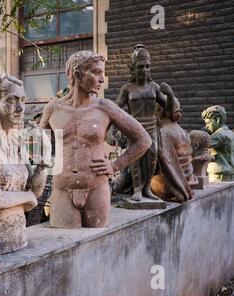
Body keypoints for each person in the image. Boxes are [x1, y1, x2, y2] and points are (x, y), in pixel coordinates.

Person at [39, 50, 151, 228]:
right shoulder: (53, 108)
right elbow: (39, 141)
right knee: (65, 242)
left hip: (96, 187)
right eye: (96, 72)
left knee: (98, 241)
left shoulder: (105, 108)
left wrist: (115, 165)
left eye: (102, 73)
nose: (102, 79)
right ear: (78, 74)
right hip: (62, 187)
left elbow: (144, 140)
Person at [0, 73, 50, 253]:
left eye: (22, 100)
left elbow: (35, 191)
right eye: (12, 100)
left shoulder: (17, 141)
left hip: (20, 238)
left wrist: (44, 159)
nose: (21, 107)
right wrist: (27, 198)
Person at [115, 44, 172, 201]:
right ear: (133, 68)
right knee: (136, 159)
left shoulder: (154, 87)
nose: (145, 70)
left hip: (152, 127)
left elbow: (167, 107)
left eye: (147, 66)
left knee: (151, 158)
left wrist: (171, 94)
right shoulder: (127, 88)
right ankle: (137, 190)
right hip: (134, 128)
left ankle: (147, 189)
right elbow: (116, 109)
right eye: (140, 67)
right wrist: (116, 127)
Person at [150, 86, 194, 202]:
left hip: (170, 186)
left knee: (141, 182)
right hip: (188, 180)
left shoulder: (163, 133)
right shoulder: (184, 132)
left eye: (154, 109)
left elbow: (159, 163)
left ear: (160, 111)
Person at [201, 105, 234, 181]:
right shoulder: (230, 133)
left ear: (217, 120)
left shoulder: (219, 135)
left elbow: (199, 146)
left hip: (218, 176)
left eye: (208, 123)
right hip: (229, 173)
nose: (207, 126)